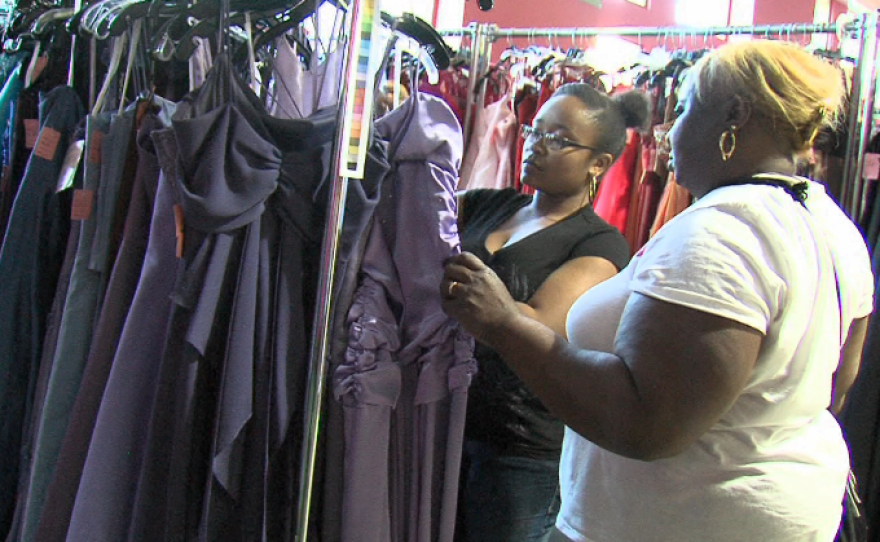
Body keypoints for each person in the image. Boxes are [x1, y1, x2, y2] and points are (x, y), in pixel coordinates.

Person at [441, 40, 874, 542]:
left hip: (682, 521)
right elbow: (837, 387)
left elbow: (645, 422)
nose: (668, 129)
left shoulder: (723, 232)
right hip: (780, 510)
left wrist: (504, 324)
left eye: (685, 109)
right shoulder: (831, 225)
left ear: (734, 115)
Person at [454, 83, 648, 542]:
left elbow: (539, 325)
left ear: (598, 163)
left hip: (519, 449)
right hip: (448, 423)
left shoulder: (599, 243)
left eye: (558, 139)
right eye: (535, 131)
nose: (536, 145)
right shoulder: (488, 204)